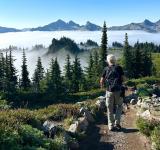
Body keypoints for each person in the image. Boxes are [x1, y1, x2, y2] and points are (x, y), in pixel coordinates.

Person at [100, 54, 125, 131]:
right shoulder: (119, 68)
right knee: (119, 106)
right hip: (118, 90)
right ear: (115, 60)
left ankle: (111, 125)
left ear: (108, 61)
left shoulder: (106, 69)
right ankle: (117, 122)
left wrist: (102, 86)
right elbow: (123, 78)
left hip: (109, 91)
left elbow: (101, 80)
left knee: (109, 108)